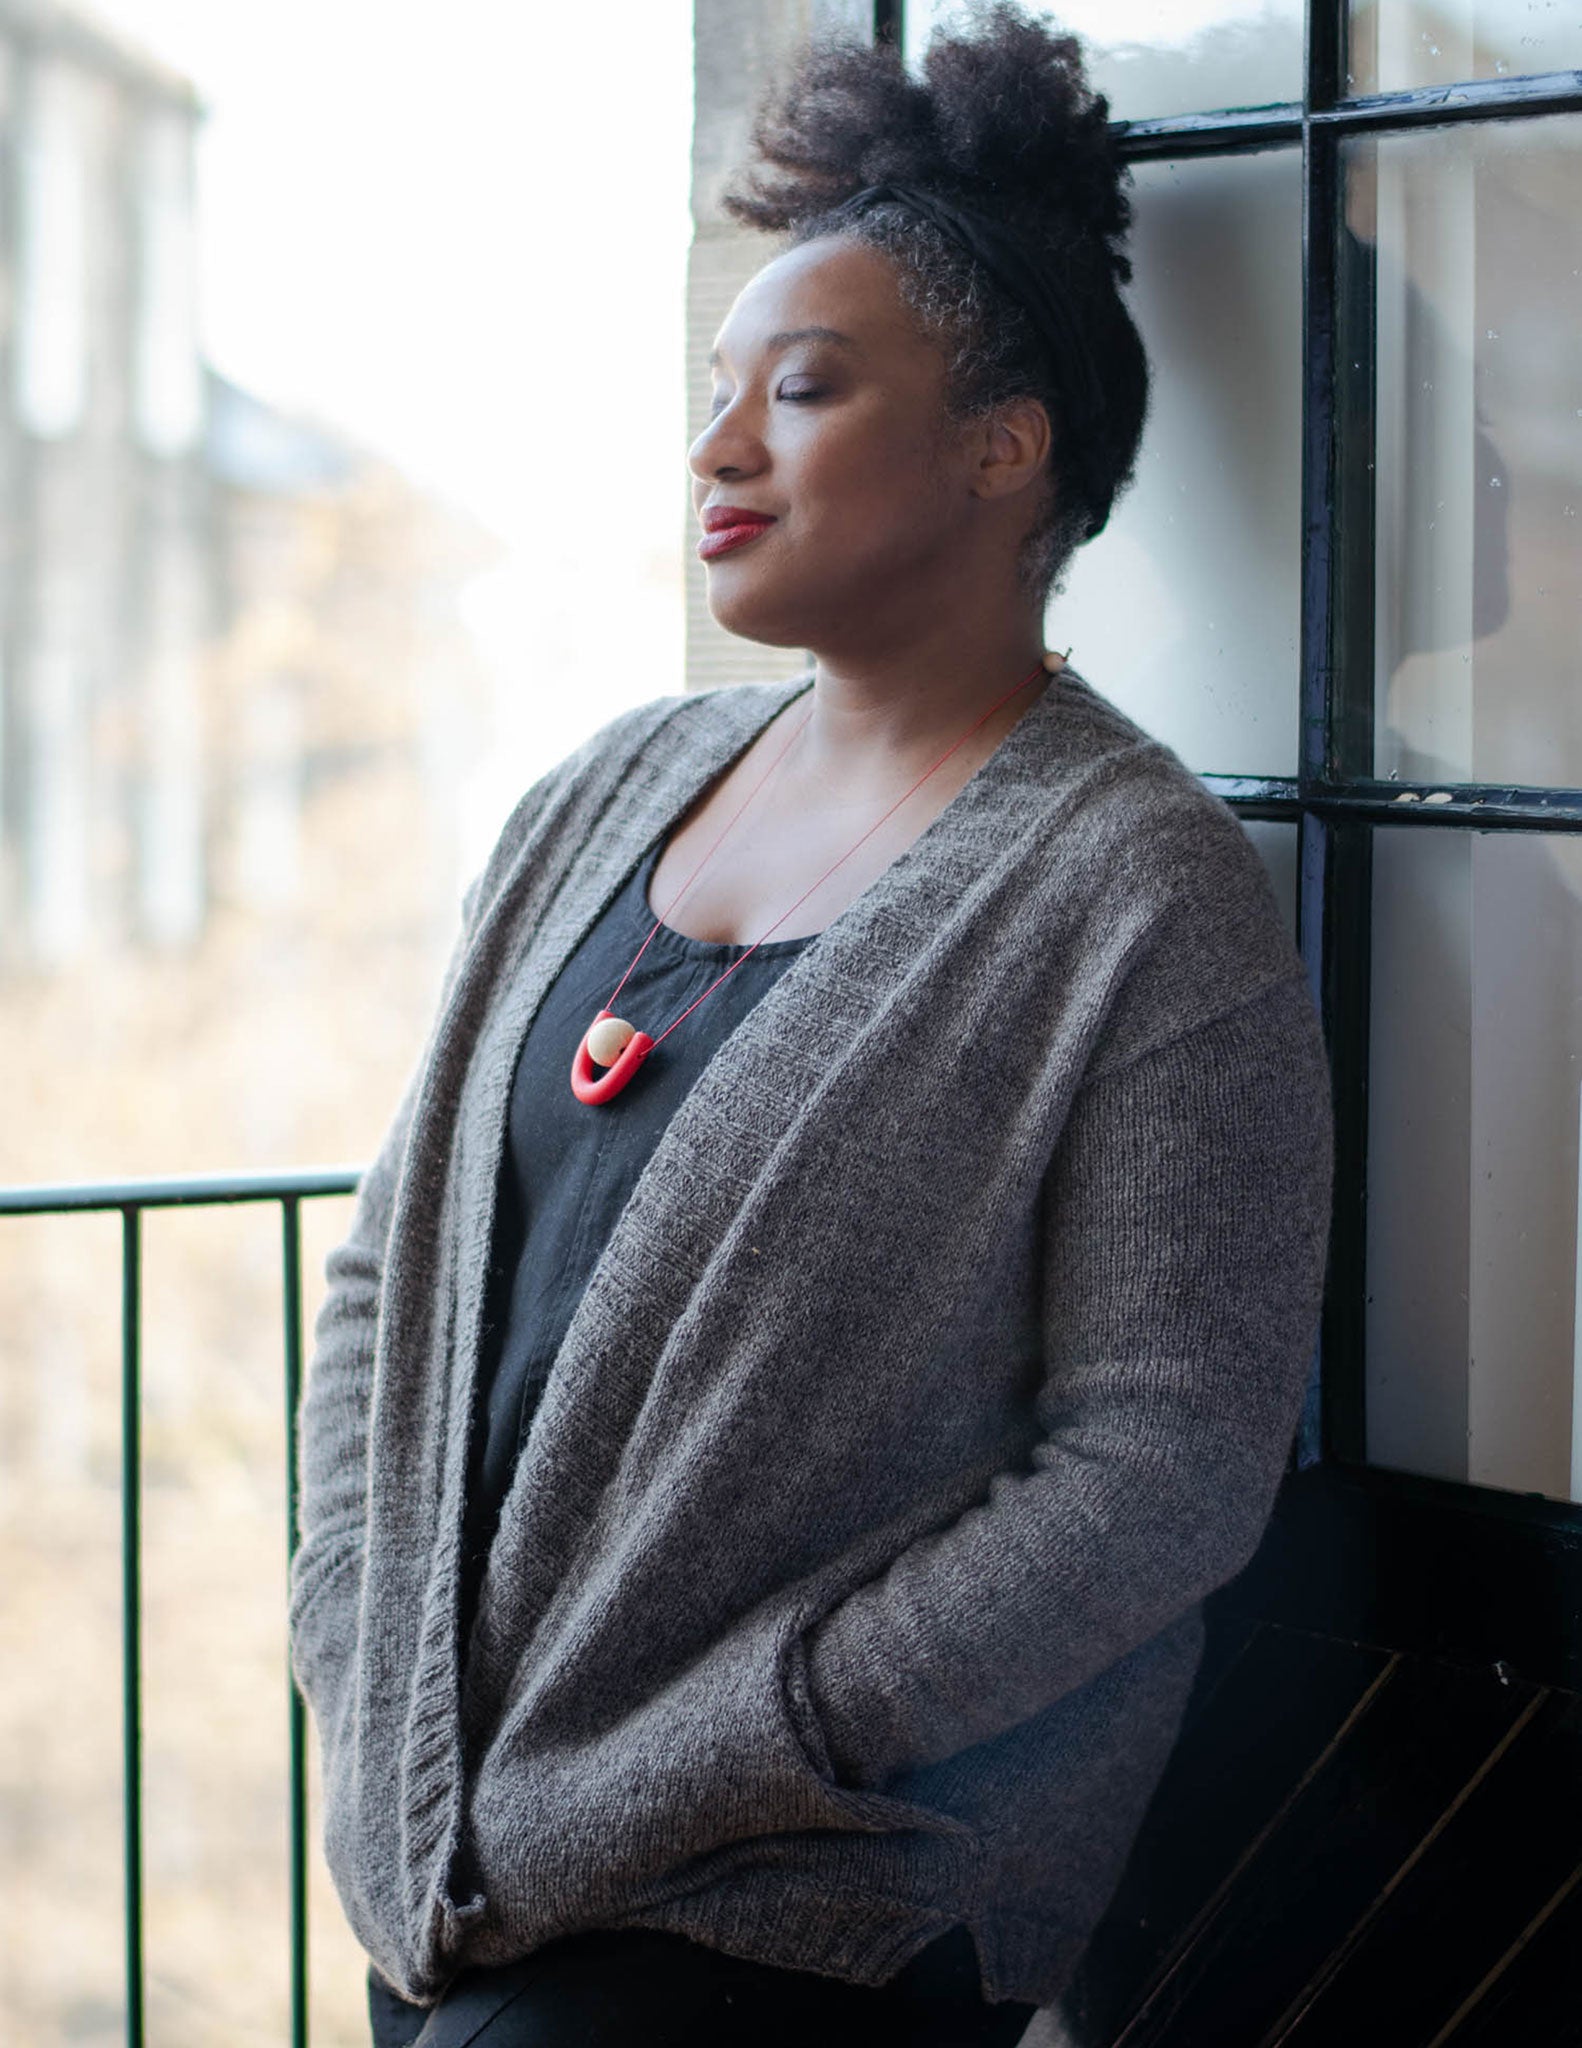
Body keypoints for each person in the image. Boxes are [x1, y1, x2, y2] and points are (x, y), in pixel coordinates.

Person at [287, 6, 1333, 2043]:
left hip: (802, 1900)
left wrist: (785, 1722)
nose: (715, 447)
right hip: (451, 1856)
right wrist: (355, 1640)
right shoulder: (601, 789)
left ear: (997, 443)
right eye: (714, 391)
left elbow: (1165, 1467)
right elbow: (379, 1279)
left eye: (805, 386)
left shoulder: (1131, 889)